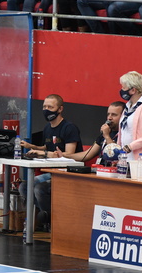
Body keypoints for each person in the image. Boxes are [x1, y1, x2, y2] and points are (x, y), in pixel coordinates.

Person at [20, 94, 82, 226]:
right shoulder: (47, 128)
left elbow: (69, 154)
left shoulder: (69, 128)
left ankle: (54, 222)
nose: (46, 110)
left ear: (60, 109)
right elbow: (46, 147)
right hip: (51, 171)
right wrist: (32, 147)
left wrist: (45, 153)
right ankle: (48, 215)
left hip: (67, 173)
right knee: (24, 186)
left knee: (39, 189)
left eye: (50, 107)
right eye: (44, 107)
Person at [56, 101, 125, 166]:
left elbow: (116, 155)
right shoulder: (106, 132)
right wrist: (64, 156)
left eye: (114, 115)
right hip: (100, 169)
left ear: (123, 116)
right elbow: (86, 155)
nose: (109, 118)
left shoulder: (124, 134)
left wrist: (107, 136)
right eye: (108, 114)